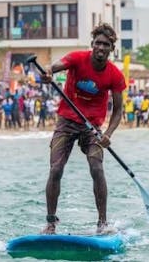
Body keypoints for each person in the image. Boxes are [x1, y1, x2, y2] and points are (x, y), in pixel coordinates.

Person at [40, 23, 126, 235]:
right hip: (67, 122)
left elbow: (117, 111)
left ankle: (102, 223)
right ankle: (51, 223)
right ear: (92, 44)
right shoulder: (77, 58)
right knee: (56, 169)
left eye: (106, 44)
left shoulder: (115, 75)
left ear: (111, 48)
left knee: (97, 168)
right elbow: (54, 66)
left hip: (93, 129)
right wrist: (48, 73)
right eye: (98, 43)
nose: (101, 47)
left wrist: (108, 134)